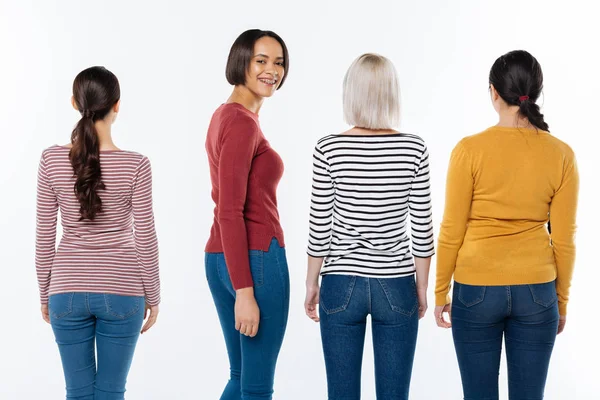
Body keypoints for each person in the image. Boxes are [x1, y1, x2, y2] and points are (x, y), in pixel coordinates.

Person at [434, 50, 579, 399]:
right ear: (536, 92)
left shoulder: (469, 150)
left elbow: (451, 228)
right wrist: (560, 301)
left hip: (476, 288)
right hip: (537, 291)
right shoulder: (561, 154)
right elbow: (564, 240)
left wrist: (441, 293)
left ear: (493, 92)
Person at [304, 53, 434, 400]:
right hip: (396, 281)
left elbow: (320, 225)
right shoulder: (414, 148)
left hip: (340, 281)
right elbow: (423, 229)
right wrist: (421, 288)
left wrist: (311, 282)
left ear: (351, 93)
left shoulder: (328, 148)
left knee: (341, 394)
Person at [36, 66, 161, 399]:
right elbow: (146, 237)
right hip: (123, 290)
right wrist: (154, 296)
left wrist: (45, 291)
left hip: (66, 290)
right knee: (111, 391)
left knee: (78, 392)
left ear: (75, 103)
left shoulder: (50, 159)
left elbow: (45, 235)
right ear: (117, 106)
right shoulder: (136, 164)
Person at [204, 29, 290, 400]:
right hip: (253, 261)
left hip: (222, 257)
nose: (272, 70)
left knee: (242, 377)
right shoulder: (240, 122)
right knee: (255, 387)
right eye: (261, 60)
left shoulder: (226, 115)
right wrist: (244, 291)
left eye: (279, 62)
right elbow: (229, 210)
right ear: (241, 62)